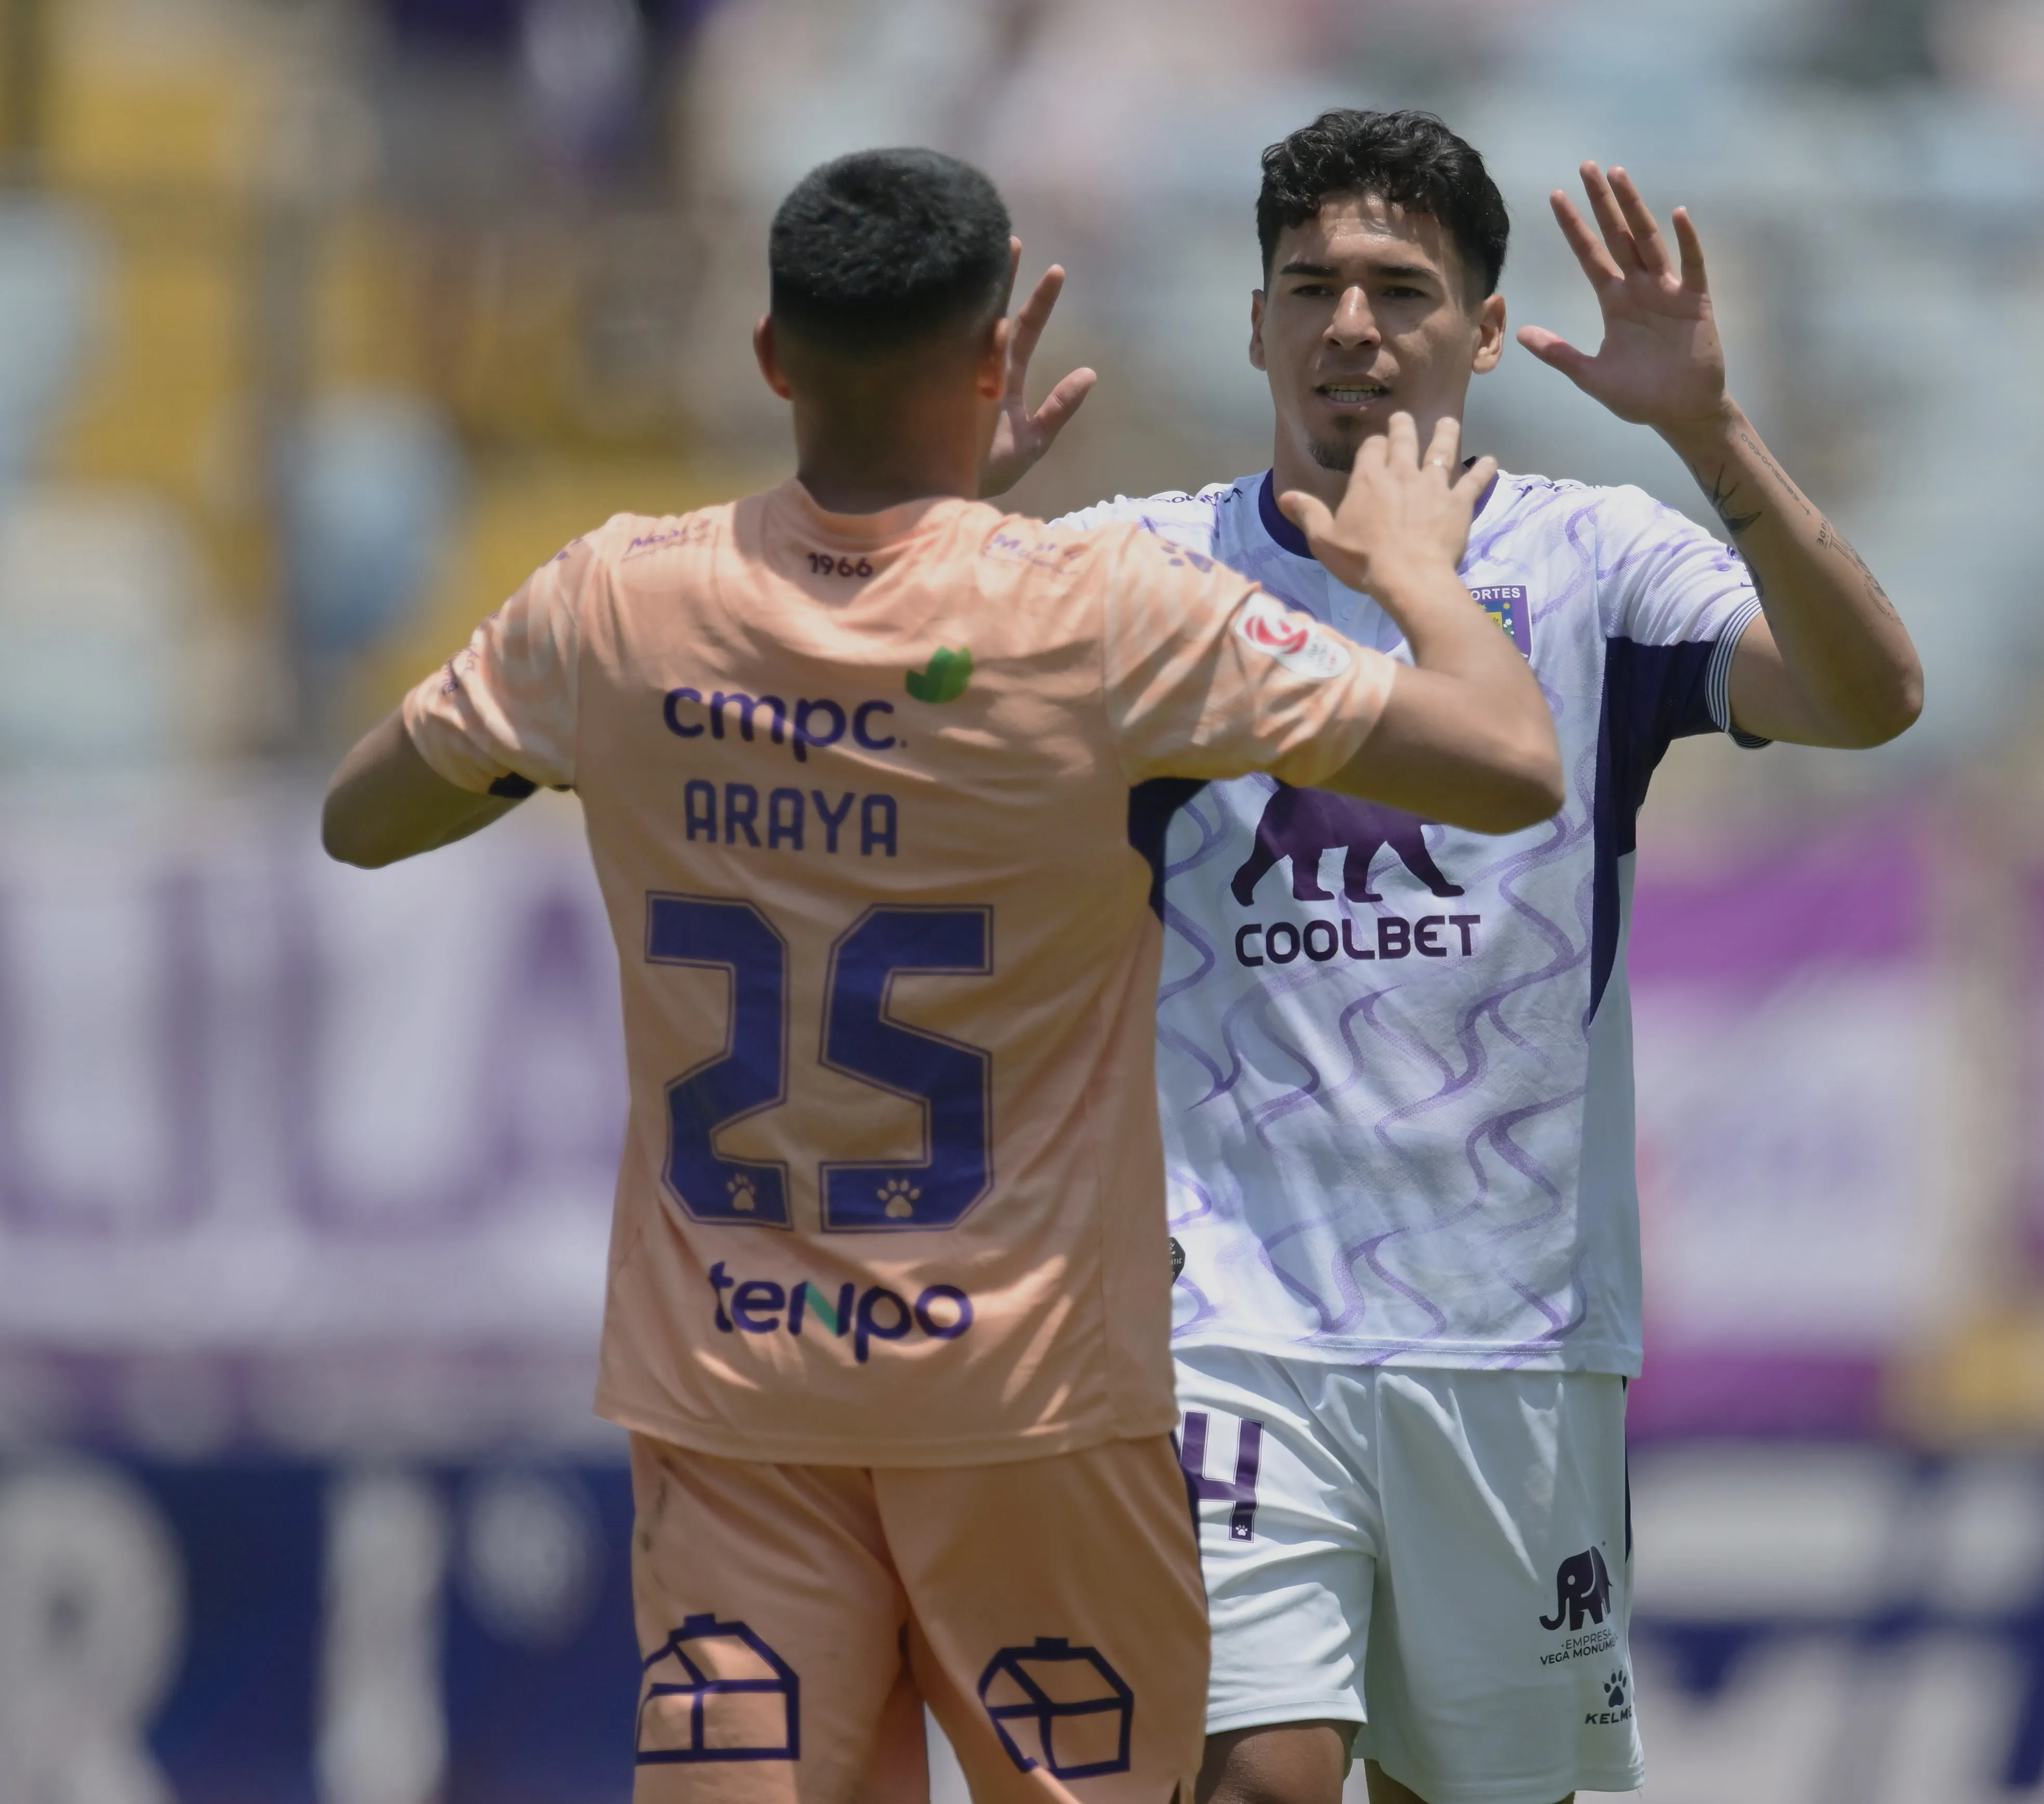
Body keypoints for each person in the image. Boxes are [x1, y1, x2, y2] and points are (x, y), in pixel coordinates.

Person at [319, 145, 1563, 1804]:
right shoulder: (1107, 616)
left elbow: (363, 819)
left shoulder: (614, 602)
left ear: (773, 355)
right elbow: (1510, 763)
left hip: (736, 1401)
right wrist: (1411, 567)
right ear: (994, 361)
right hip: (1031, 1412)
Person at [995, 111, 1925, 1804]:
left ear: (1486, 332)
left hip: (1514, 1332)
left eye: (1401, 289)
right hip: (1224, 1313)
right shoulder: (1137, 568)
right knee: (1259, 1780)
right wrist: (937, 525)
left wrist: (1708, 429)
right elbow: (883, 700)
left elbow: (1870, 699)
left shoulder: (1596, 559)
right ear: (1256, 324)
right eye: (1311, 286)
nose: (1352, 325)